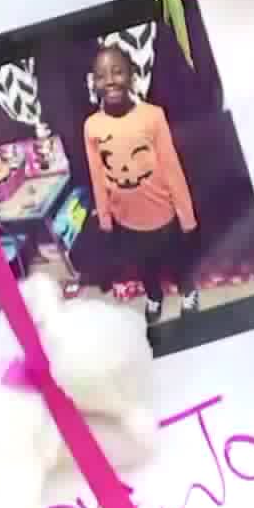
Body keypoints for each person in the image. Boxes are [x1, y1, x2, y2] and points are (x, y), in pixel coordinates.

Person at [83, 45, 197, 333]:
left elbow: (171, 166)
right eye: (101, 76)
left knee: (177, 259)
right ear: (93, 83)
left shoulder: (153, 116)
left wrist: (186, 215)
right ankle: (154, 297)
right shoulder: (92, 127)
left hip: (163, 213)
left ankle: (187, 291)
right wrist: (105, 217)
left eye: (117, 72)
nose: (109, 80)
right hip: (127, 219)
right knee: (145, 264)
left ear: (133, 77)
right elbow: (97, 174)